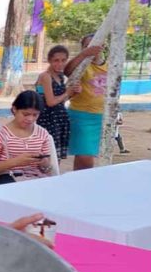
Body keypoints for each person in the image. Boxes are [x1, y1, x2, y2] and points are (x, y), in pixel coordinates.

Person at [0, 91, 53, 184]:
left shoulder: (42, 133)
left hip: (36, 180)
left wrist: (44, 163)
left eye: (35, 115)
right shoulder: (0, 135)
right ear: (15, 109)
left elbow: (48, 169)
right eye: (25, 114)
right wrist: (16, 161)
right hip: (10, 180)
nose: (30, 119)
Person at [64, 34, 107, 171]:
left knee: (89, 157)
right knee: (85, 157)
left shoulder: (111, 64)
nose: (91, 49)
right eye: (87, 46)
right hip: (82, 115)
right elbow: (68, 71)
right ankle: (80, 184)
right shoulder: (82, 65)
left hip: (103, 116)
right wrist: (84, 55)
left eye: (94, 45)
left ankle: (81, 184)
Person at [35, 45, 80, 161]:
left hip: (59, 119)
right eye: (56, 60)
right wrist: (67, 93)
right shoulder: (45, 76)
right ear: (50, 60)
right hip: (48, 120)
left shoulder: (60, 77)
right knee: (48, 157)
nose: (60, 64)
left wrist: (74, 92)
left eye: (63, 60)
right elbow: (50, 102)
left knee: (56, 157)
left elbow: (61, 100)